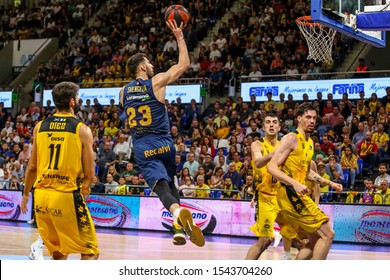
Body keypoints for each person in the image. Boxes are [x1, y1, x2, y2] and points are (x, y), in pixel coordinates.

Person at [119, 19, 204, 247]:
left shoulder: (122, 92)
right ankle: (178, 230)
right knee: (171, 183)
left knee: (162, 189)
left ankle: (177, 214)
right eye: (149, 62)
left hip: (143, 146)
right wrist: (179, 37)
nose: (152, 65)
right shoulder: (155, 82)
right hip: (166, 144)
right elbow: (183, 64)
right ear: (143, 67)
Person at [21, 81, 99, 260]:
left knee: (59, 253)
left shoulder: (39, 127)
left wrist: (26, 194)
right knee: (90, 252)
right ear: (72, 102)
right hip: (65, 195)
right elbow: (89, 172)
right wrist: (85, 188)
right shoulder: (82, 129)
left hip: (40, 198)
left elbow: (32, 167)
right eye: (77, 97)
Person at [267, 103, 342, 260]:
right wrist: (294, 183)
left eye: (314, 118)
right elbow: (272, 167)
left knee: (311, 242)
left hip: (296, 196)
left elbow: (306, 172)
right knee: (328, 234)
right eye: (308, 117)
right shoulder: (291, 138)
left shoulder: (309, 143)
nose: (312, 121)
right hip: (289, 195)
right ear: (298, 118)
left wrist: (329, 183)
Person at [245, 113, 282, 260]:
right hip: (265, 197)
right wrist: (276, 153)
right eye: (268, 122)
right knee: (265, 240)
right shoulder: (257, 144)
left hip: (282, 197)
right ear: (263, 127)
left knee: (300, 240)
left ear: (279, 127)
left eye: (274, 122)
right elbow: (258, 162)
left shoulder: (284, 145)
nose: (271, 124)